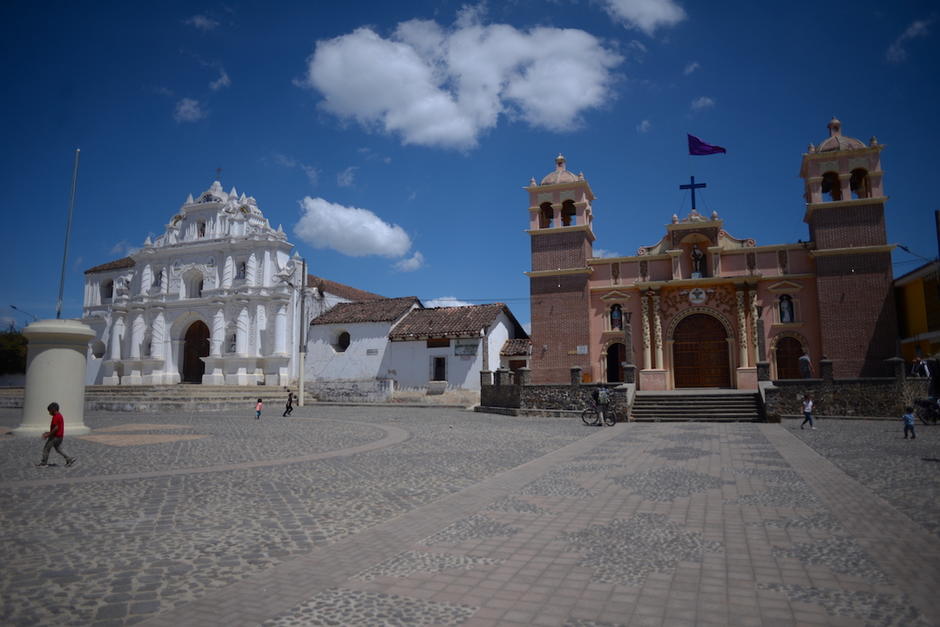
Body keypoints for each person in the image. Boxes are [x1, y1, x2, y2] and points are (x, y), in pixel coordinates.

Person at [37, 402, 76, 467]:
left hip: (55, 437)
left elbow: (56, 428)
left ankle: (44, 463)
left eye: (49, 411)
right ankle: (69, 459)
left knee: (46, 449)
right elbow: (57, 427)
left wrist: (48, 434)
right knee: (58, 449)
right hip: (60, 437)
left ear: (53, 410)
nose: (49, 413)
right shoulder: (59, 415)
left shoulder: (55, 417)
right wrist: (48, 432)